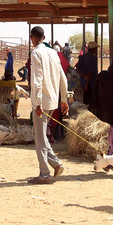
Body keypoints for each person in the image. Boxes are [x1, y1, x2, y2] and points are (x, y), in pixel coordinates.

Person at [29, 26, 68, 184]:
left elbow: (37, 80)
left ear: (32, 38)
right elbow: (62, 77)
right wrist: (64, 99)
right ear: (43, 37)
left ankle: (44, 173)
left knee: (39, 137)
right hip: (52, 100)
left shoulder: (36, 53)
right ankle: (55, 164)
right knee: (39, 134)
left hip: (42, 102)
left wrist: (37, 102)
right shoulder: (53, 53)